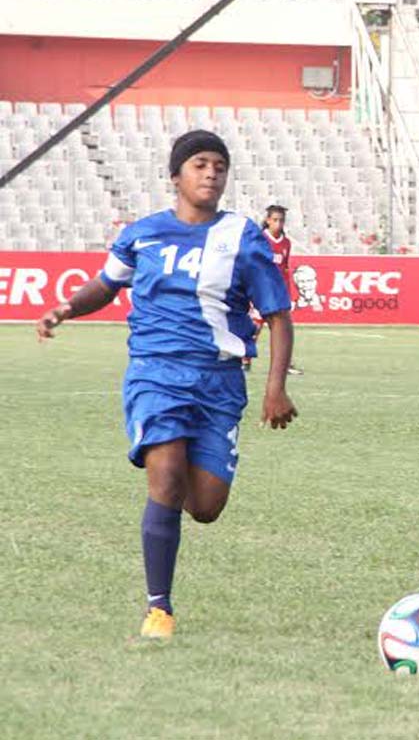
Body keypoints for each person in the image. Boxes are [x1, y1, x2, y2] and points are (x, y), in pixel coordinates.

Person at [35, 130, 298, 639]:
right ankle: (159, 608)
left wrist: (275, 387)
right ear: (175, 175)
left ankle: (169, 496)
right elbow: (106, 284)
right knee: (168, 474)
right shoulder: (143, 234)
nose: (211, 173)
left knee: (205, 506)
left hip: (220, 382)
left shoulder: (243, 237)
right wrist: (66, 307)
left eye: (219, 165)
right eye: (199, 164)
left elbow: (279, 316)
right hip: (156, 375)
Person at [249, 204, 303, 375]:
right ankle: (244, 359)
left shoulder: (286, 243)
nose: (278, 224)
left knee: (281, 329)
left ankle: (285, 364)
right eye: (275, 220)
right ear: (268, 221)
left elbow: (285, 268)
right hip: (260, 290)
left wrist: (288, 293)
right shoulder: (259, 239)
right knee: (255, 327)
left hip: (278, 293)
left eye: (281, 220)